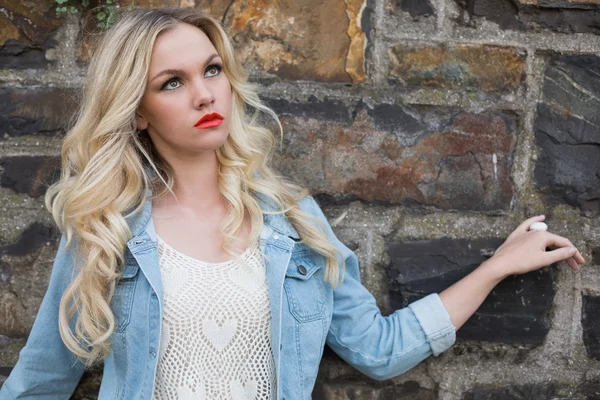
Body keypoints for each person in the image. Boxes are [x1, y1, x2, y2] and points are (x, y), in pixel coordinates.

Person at [0, 7, 585, 400]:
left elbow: (378, 350)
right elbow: (40, 381)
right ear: (136, 109)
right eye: (171, 82)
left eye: (212, 69)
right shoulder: (105, 232)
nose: (205, 93)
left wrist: (498, 265)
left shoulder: (293, 220)